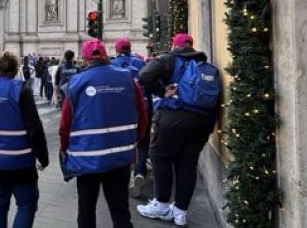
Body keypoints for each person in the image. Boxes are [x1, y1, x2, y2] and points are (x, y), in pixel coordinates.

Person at [59, 39, 148, 228]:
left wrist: (64, 149)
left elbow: (65, 125)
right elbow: (142, 116)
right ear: (106, 55)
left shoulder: (75, 83)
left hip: (86, 158)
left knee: (86, 211)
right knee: (120, 212)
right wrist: (132, 143)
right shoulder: (128, 79)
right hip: (120, 157)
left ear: (84, 58)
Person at [137, 33, 220, 226]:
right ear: (192, 45)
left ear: (175, 46)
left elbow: (144, 75)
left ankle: (162, 204)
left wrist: (161, 91)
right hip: (204, 120)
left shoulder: (170, 59)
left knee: (160, 156)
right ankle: (180, 212)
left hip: (175, 116)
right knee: (187, 163)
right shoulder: (204, 63)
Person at [0, 52, 49, 228]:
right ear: (15, 70)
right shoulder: (21, 90)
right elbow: (34, 129)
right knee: (26, 205)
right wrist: (43, 157)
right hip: (20, 163)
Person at [111, 38, 150, 197]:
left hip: (118, 113)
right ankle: (139, 173)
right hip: (140, 110)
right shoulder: (140, 63)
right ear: (129, 48)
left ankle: (124, 176)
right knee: (142, 144)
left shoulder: (112, 65)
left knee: (121, 144)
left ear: (116, 50)